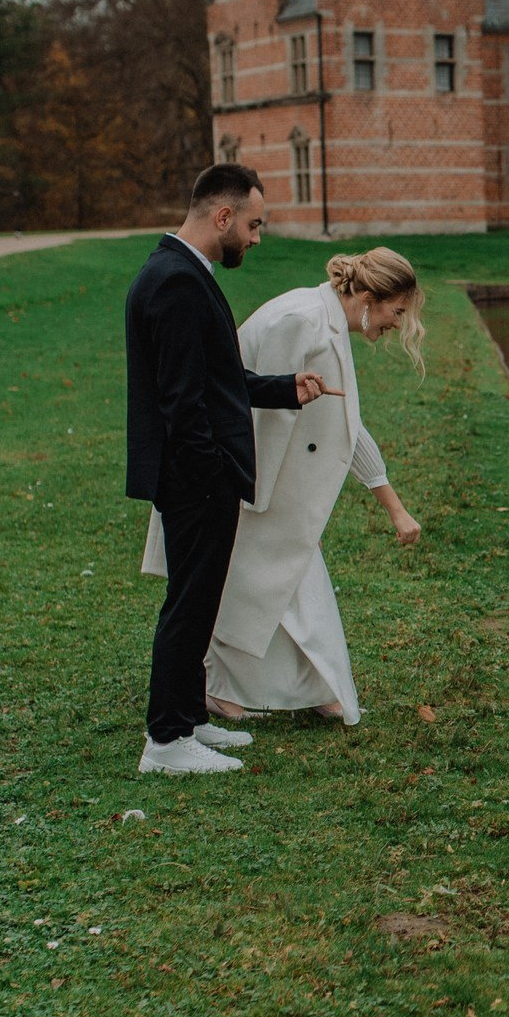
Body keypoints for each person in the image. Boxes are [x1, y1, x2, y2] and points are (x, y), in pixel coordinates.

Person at [143, 248, 425, 724]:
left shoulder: (327, 323)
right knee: (258, 584)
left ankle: (295, 688)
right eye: (396, 312)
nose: (396, 324)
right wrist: (260, 502)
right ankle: (240, 689)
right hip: (233, 477)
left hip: (257, 484)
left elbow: (347, 426)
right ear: (368, 298)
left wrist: (393, 506)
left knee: (272, 586)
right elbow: (250, 411)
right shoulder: (302, 321)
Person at [122, 164, 325, 775]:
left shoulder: (183, 273)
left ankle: (189, 719)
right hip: (195, 477)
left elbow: (218, 379)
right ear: (222, 217)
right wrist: (214, 472)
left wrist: (285, 388)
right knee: (188, 605)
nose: (257, 238)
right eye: (254, 224)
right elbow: (183, 402)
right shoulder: (176, 283)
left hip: (198, 473)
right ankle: (165, 741)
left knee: (201, 600)